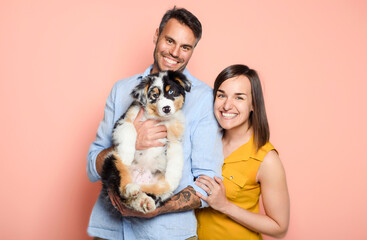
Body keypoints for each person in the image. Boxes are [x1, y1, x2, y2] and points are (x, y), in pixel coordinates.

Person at [86, 7, 223, 240]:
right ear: (156, 35)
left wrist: (155, 208)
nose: (175, 52)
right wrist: (133, 142)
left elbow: (207, 183)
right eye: (170, 40)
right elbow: (92, 165)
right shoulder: (121, 90)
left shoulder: (202, 98)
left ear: (192, 51)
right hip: (110, 230)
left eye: (185, 47)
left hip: (166, 233)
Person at [195, 64, 290, 239]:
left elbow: (280, 227)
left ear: (253, 104)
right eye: (221, 95)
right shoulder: (202, 142)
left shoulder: (266, 158)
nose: (227, 105)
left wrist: (225, 206)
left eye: (239, 98)